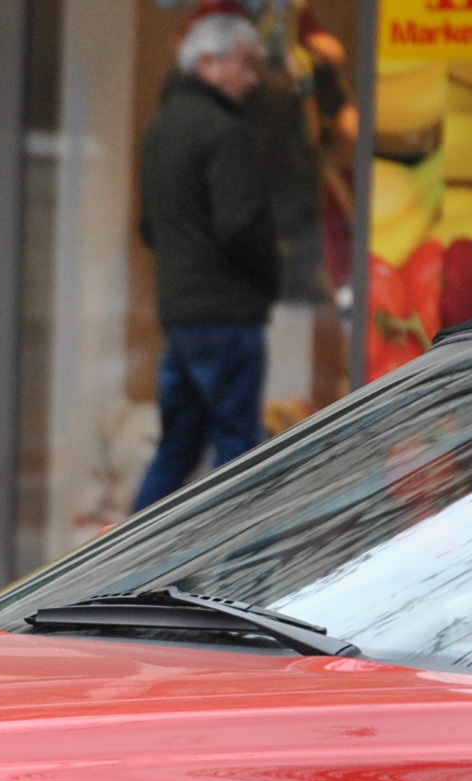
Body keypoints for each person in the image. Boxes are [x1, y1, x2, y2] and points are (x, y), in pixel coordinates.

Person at [132, 10, 278, 511]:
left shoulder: (161, 128)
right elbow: (241, 226)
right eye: (244, 64)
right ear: (208, 64)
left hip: (181, 315)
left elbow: (148, 227)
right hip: (227, 315)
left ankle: (130, 554)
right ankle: (242, 557)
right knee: (238, 453)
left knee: (177, 448)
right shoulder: (224, 131)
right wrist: (270, 274)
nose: (252, 79)